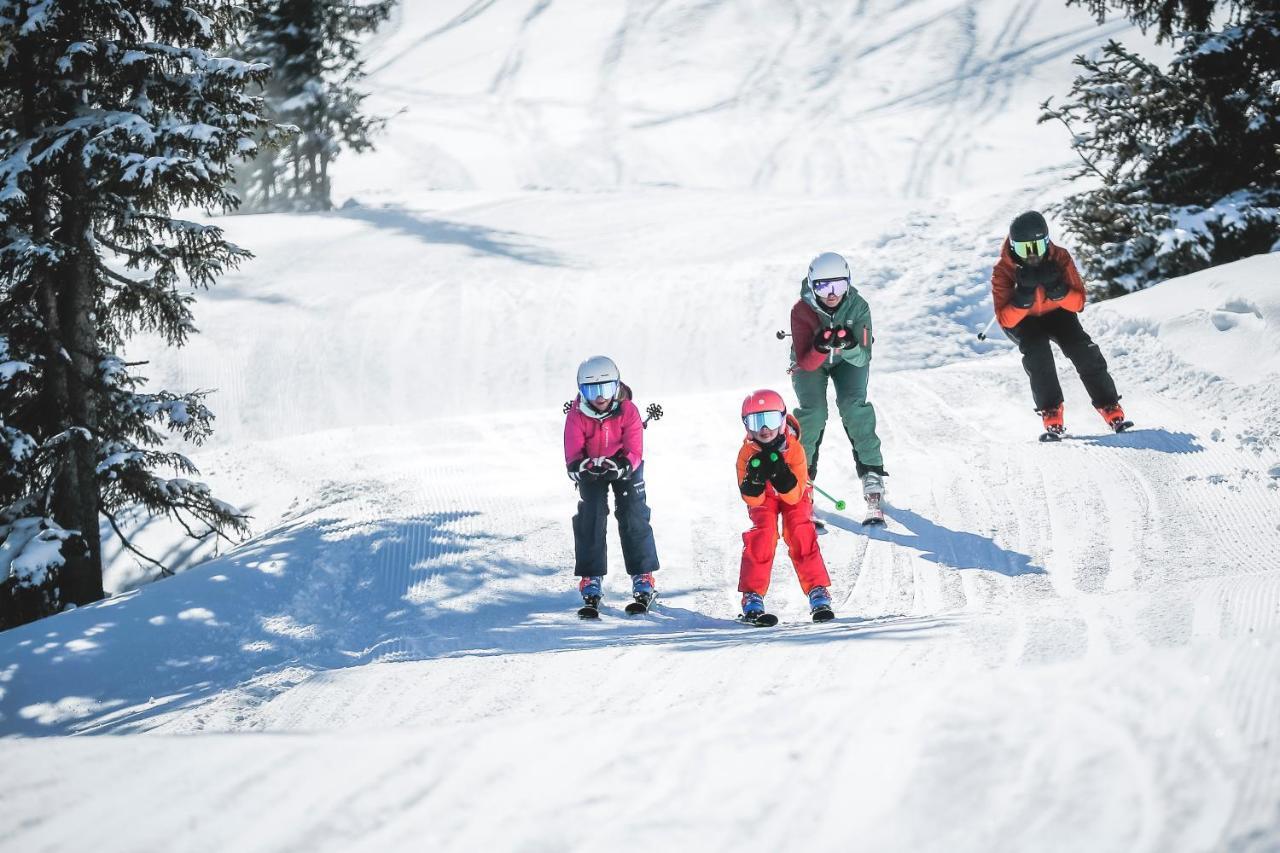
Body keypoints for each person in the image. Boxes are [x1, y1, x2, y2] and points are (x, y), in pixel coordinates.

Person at [991, 211, 1130, 438]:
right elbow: (1006, 319)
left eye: (1038, 246)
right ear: (1014, 247)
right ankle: (1051, 411)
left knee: (1081, 348)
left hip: (1057, 313)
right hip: (1023, 320)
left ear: (1047, 241)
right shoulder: (1003, 270)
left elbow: (1078, 303)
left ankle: (1109, 405)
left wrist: (1058, 289)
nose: (1033, 255)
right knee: (1037, 351)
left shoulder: (1060, 257)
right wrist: (1023, 297)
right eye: (1026, 249)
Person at [789, 251, 888, 508]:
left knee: (854, 406)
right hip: (812, 361)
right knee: (813, 412)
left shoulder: (859, 306)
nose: (832, 293)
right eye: (823, 287)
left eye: (839, 285)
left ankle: (871, 472)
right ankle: (802, 479)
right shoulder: (802, 311)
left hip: (848, 361)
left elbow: (863, 357)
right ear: (812, 286)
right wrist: (820, 348)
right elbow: (806, 362)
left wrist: (850, 345)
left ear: (848, 282)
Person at [564, 355, 660, 610]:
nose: (600, 397)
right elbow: (572, 451)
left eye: (605, 389)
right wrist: (579, 467)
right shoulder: (576, 414)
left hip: (624, 465)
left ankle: (643, 575)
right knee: (591, 515)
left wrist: (623, 465)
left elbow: (635, 448)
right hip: (592, 467)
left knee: (633, 513)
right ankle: (591, 576)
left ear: (616, 386)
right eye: (591, 390)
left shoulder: (628, 410)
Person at [736, 389, 834, 622]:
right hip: (765, 498)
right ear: (746, 425)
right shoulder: (746, 454)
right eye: (756, 422)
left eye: (770, 420)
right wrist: (754, 482)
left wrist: (782, 476)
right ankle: (752, 595)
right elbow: (752, 500)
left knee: (799, 529)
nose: (764, 429)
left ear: (781, 420)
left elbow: (794, 497)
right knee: (763, 533)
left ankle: (817, 590)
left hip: (794, 493)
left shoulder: (794, 448)